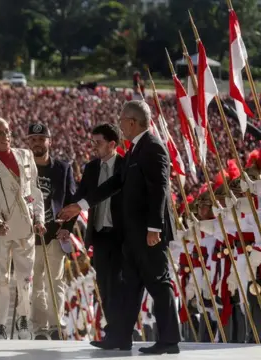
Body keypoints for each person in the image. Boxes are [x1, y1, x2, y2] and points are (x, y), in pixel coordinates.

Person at [59, 100, 181, 354]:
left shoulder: (153, 148)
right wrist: (80, 205)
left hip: (149, 234)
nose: (120, 124)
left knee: (159, 284)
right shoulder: (135, 150)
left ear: (133, 122)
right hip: (134, 236)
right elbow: (115, 183)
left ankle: (169, 341)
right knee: (129, 287)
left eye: (122, 119)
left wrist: (154, 229)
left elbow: (160, 190)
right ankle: (119, 337)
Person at [0, 117, 46, 340]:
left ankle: (24, 318)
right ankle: (0, 323)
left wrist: (39, 218)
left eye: (7, 132)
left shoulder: (25, 156)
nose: (5, 136)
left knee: (25, 278)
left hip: (25, 227)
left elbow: (35, 191)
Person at [72, 123, 124, 337]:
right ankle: (112, 330)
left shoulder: (126, 166)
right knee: (104, 284)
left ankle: (123, 330)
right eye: (92, 142)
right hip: (100, 235)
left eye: (98, 143)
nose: (94, 147)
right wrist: (66, 220)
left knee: (119, 284)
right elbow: (81, 198)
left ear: (112, 144)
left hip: (122, 237)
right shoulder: (91, 168)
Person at [26, 123, 76, 340]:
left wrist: (67, 229)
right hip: (31, 235)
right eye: (33, 139)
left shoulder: (62, 169)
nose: (37, 143)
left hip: (56, 233)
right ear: (29, 142)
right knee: (35, 283)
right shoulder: (24, 169)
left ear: (49, 141)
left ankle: (57, 325)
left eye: (41, 139)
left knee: (55, 281)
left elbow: (72, 201)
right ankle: (40, 329)